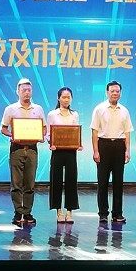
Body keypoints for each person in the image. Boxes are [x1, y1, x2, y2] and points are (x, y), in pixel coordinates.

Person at [1, 78, 46, 226]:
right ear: (17, 91)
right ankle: (17, 211)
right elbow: (3, 128)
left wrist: (41, 136)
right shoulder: (11, 109)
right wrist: (12, 135)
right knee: (16, 183)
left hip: (32, 149)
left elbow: (44, 128)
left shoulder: (38, 109)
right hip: (17, 149)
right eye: (23, 90)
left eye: (29, 90)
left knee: (30, 183)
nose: (26, 93)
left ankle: (27, 212)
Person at [91, 80, 133, 223]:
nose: (115, 93)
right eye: (112, 91)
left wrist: (127, 150)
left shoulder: (124, 110)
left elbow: (127, 132)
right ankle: (103, 213)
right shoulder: (99, 109)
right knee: (102, 181)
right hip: (104, 145)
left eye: (117, 91)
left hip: (119, 146)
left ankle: (117, 213)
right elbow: (94, 131)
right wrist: (96, 151)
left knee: (118, 182)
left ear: (120, 93)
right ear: (107, 92)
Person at [47, 87, 81, 223]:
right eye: (64, 97)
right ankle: (58, 211)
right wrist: (50, 143)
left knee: (71, 180)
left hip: (71, 151)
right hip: (57, 151)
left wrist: (78, 143)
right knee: (56, 179)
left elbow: (76, 132)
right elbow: (48, 133)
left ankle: (69, 211)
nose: (66, 99)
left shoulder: (74, 114)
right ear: (58, 98)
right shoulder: (52, 114)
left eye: (68, 97)